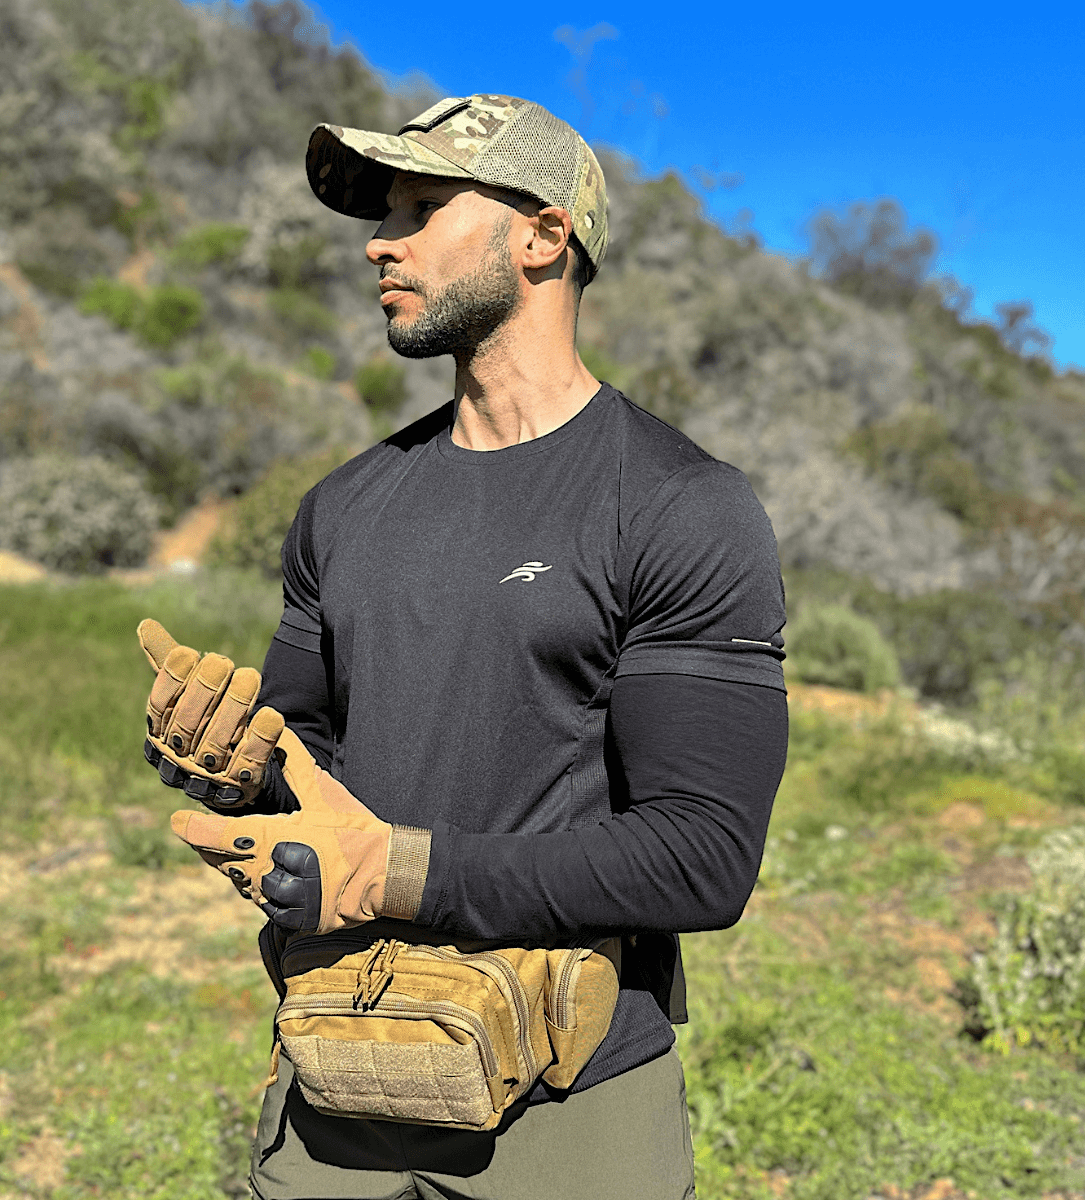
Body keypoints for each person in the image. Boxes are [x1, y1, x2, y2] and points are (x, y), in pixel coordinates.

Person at [139, 94, 789, 1200]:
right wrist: (238, 766)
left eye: (425, 205)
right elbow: (307, 760)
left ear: (544, 235)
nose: (380, 241)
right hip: (337, 1074)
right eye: (382, 212)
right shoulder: (344, 507)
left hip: (565, 1109)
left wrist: (396, 870)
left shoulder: (680, 506)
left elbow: (701, 857)